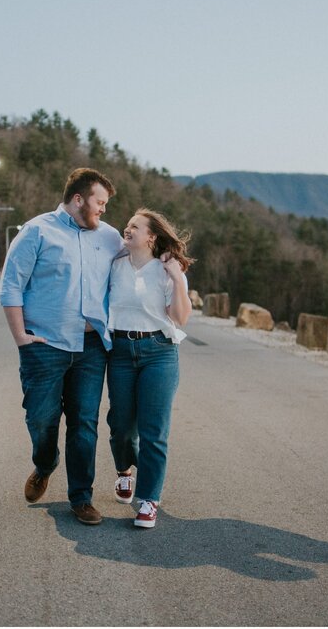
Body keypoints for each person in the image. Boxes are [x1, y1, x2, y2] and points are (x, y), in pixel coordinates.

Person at [0, 167, 124, 525]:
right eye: (100, 202)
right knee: (41, 419)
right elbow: (11, 287)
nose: (103, 210)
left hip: (91, 348)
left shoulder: (111, 237)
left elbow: (136, 264)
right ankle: (44, 463)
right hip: (44, 345)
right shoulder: (36, 231)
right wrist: (21, 338)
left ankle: (81, 497)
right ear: (79, 199)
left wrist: (170, 263)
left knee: (85, 423)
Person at [105, 208, 194, 528]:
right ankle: (124, 472)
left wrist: (176, 278)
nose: (127, 230)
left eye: (135, 227)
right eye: (127, 225)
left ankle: (148, 499)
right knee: (121, 426)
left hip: (159, 352)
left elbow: (181, 318)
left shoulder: (167, 270)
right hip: (119, 351)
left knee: (154, 431)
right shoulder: (114, 265)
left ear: (151, 237)